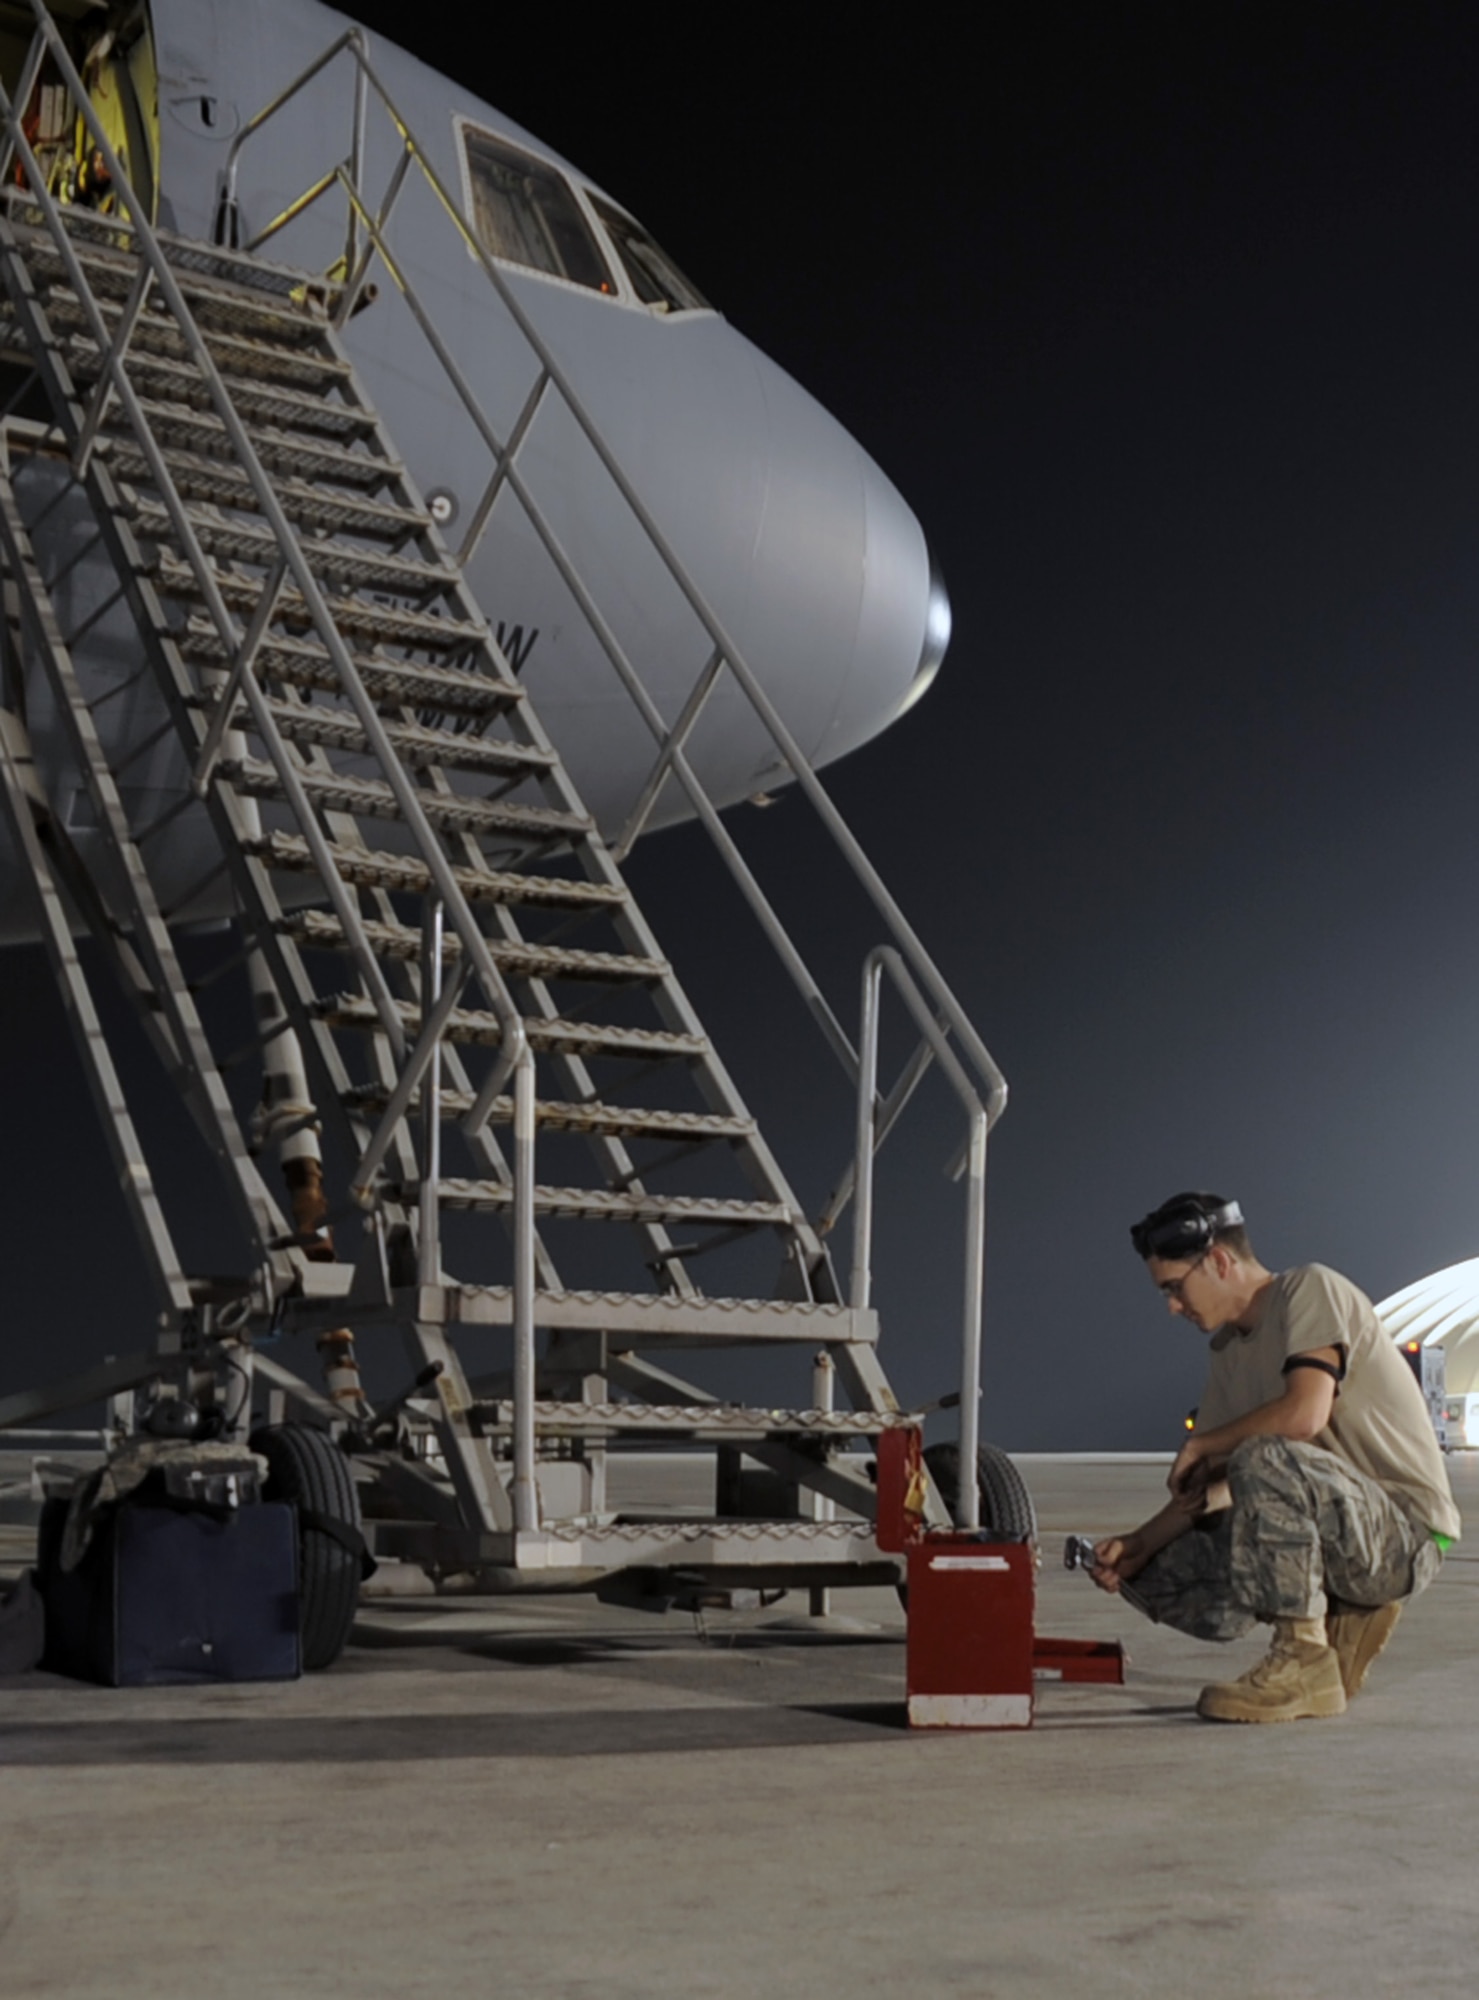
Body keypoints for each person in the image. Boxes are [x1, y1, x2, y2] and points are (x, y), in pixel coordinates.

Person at [1092, 1192, 1461, 1723]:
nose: (1173, 1306)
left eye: (1175, 1287)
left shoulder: (1308, 1290)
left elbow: (1304, 1415)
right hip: (1340, 1525)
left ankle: (1304, 1659)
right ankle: (1341, 1614)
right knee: (1155, 1573)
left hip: (1405, 1535)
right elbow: (1213, 1482)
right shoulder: (1228, 1353)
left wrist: (1203, 1443)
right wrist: (1137, 1545)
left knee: (1262, 1455)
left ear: (1218, 1261)